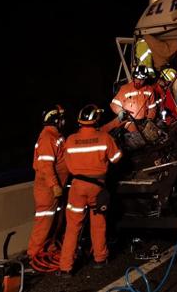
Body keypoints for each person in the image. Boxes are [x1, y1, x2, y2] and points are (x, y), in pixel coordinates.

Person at [58, 104, 122, 277]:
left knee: (72, 227)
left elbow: (67, 163)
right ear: (96, 120)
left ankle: (65, 268)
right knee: (98, 222)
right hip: (97, 188)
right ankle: (100, 259)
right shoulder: (104, 138)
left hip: (77, 187)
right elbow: (116, 158)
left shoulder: (70, 140)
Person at [27, 105, 68, 258]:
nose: (64, 121)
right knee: (44, 223)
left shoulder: (57, 136)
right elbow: (45, 164)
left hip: (55, 190)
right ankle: (34, 255)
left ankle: (49, 247)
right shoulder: (48, 138)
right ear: (56, 120)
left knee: (55, 221)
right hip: (47, 190)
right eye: (61, 118)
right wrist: (54, 185)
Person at [102, 65, 156, 133]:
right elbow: (114, 103)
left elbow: (152, 108)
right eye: (136, 78)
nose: (138, 81)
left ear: (145, 79)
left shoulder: (149, 90)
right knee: (106, 130)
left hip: (143, 122)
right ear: (133, 77)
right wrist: (120, 111)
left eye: (141, 79)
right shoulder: (125, 88)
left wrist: (150, 119)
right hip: (127, 120)